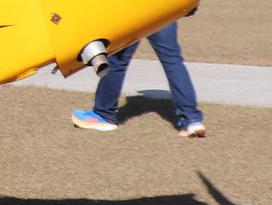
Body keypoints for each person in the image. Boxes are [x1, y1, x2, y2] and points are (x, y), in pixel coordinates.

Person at [71, 21, 205, 137]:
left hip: (137, 10)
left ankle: (104, 115)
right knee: (173, 61)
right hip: (164, 8)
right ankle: (192, 119)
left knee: (117, 61)